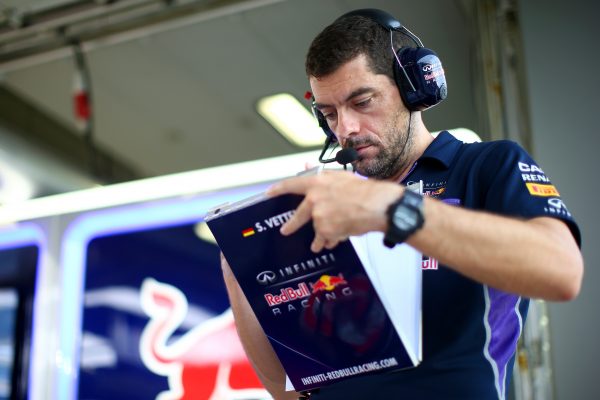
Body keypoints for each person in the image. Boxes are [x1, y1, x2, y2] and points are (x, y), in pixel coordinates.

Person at [220, 8, 583, 400]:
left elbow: (561, 270)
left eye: (362, 102)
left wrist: (394, 208)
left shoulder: (487, 166)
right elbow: (287, 391)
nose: (346, 129)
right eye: (329, 114)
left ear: (415, 87)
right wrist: (240, 266)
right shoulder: (330, 210)